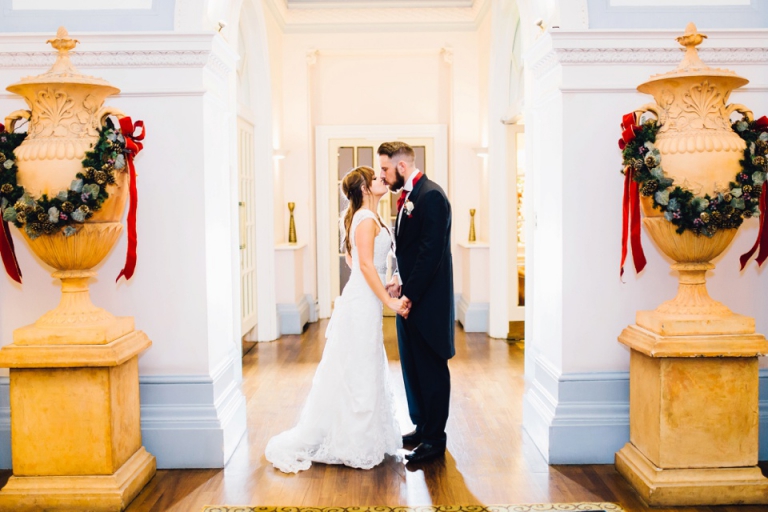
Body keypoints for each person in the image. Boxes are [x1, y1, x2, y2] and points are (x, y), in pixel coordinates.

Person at [265, 166, 409, 473]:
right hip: (362, 303)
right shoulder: (366, 220)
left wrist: (386, 284)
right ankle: (353, 441)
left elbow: (359, 266)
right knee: (358, 366)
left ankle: (364, 436)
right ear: (365, 189)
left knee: (363, 362)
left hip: (366, 298)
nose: (382, 179)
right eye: (376, 177)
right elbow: (367, 267)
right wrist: (390, 302)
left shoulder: (369, 218)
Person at [379, 141, 455, 464]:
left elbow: (430, 255)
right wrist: (398, 280)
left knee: (432, 370)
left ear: (401, 167)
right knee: (412, 369)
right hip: (410, 302)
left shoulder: (432, 196)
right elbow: (408, 251)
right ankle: (422, 428)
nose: (382, 176)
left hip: (428, 304)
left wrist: (408, 295)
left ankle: (435, 439)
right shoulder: (407, 198)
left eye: (385, 169)